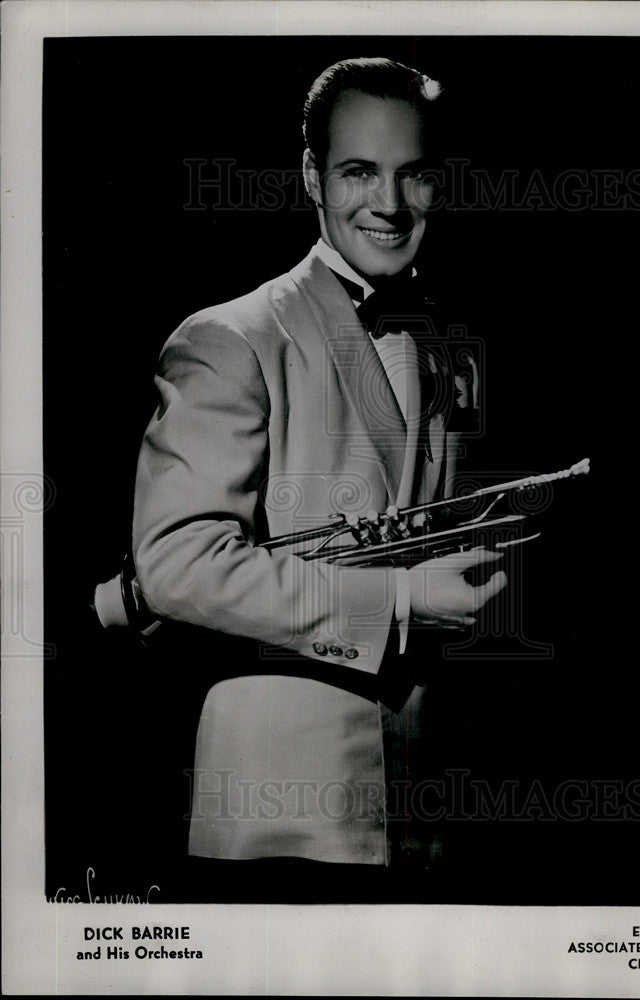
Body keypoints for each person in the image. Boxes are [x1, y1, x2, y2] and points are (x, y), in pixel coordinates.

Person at [131, 57, 507, 899]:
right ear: (311, 176)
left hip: (417, 804)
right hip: (279, 803)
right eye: (359, 172)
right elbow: (176, 567)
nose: (389, 204)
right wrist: (404, 600)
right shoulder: (230, 337)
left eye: (413, 176)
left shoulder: (447, 345)